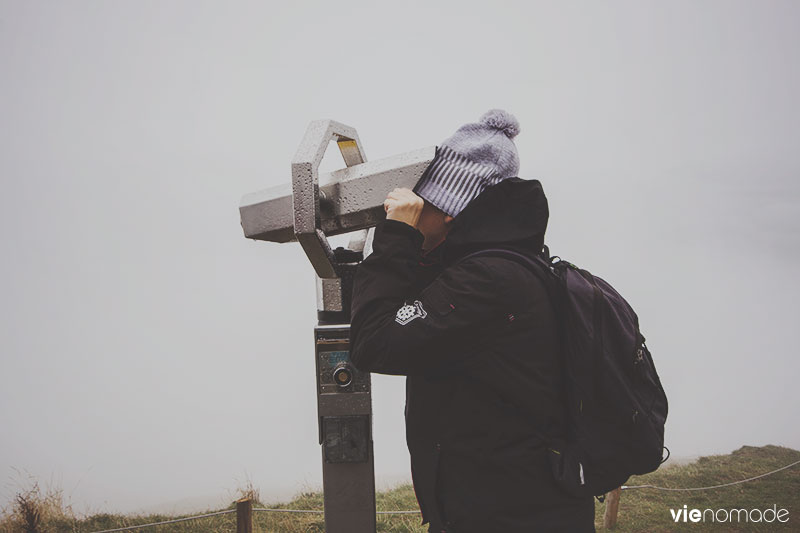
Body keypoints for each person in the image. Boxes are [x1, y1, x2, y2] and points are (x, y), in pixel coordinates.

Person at [349, 109, 596, 532]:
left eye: (419, 203)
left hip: (506, 518)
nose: (412, 212)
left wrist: (396, 238)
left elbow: (375, 340)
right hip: (519, 508)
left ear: (449, 209)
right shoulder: (507, 267)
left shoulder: (487, 282)